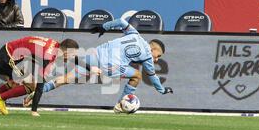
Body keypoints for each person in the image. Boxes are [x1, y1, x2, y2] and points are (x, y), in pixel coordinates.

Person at [23, 18, 173, 112]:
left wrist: (104, 27)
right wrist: (162, 90)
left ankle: (34, 94)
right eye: (157, 56)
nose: (156, 59)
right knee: (137, 75)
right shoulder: (147, 55)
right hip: (111, 66)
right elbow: (152, 77)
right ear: (153, 48)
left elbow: (121, 22)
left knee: (65, 79)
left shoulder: (134, 34)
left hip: (95, 54)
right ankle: (120, 105)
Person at [0, 37, 80, 117]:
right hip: (8, 57)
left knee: (18, 83)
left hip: (9, 52)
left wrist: (89, 67)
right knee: (27, 85)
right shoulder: (47, 56)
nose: (72, 58)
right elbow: (40, 85)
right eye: (72, 55)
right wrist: (34, 110)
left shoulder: (56, 46)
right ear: (66, 53)